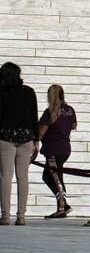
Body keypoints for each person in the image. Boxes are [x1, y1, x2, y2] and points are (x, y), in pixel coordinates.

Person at [0, 62, 38, 226]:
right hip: (26, 137)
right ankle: (21, 216)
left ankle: (5, 215)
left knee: (5, 176)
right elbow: (33, 116)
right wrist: (37, 140)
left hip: (6, 136)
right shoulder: (29, 92)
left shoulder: (1, 92)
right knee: (23, 177)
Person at [38, 84, 77, 218]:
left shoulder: (49, 112)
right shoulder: (69, 109)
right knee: (50, 176)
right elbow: (74, 125)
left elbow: (41, 131)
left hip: (54, 149)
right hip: (65, 147)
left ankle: (62, 206)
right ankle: (63, 204)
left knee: (55, 178)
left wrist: (34, 142)